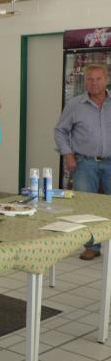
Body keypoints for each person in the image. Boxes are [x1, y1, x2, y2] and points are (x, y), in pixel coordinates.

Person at [54, 64, 111, 260]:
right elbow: (60, 131)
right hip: (84, 164)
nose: (94, 83)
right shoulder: (75, 105)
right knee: (87, 207)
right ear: (85, 81)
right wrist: (68, 154)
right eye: (90, 79)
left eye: (98, 79)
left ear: (106, 79)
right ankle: (92, 247)